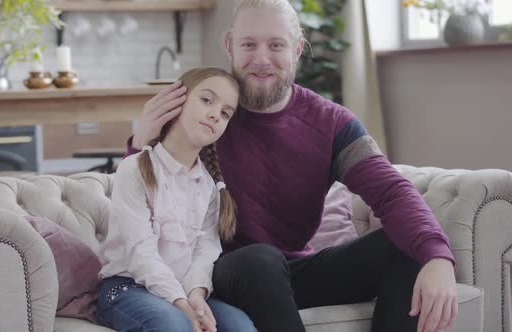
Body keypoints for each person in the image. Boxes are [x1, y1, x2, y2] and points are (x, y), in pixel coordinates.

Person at [126, 1, 458, 332]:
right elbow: (143, 196)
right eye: (248, 44)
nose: (261, 59)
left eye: (276, 45)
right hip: (214, 274)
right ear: (229, 46)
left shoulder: (333, 123)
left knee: (404, 243)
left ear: (297, 49)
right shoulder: (203, 112)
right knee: (260, 259)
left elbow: (391, 190)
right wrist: (140, 143)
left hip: (291, 274)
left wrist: (436, 256)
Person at [97, 67, 257, 332]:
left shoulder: (210, 187)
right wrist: (181, 305)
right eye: (207, 100)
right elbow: (141, 253)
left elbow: (205, 252)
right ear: (178, 102)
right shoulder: (135, 168)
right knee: (174, 324)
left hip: (183, 290)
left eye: (225, 113)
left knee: (241, 326)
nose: (215, 114)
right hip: (127, 288)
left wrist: (196, 295)